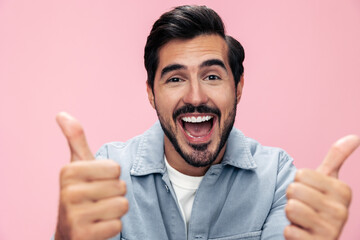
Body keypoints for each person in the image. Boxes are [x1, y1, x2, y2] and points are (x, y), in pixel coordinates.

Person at [53, 5, 360, 240]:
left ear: (238, 87)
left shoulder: (278, 177)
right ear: (151, 93)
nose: (195, 96)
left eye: (212, 76)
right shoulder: (108, 172)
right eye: (175, 79)